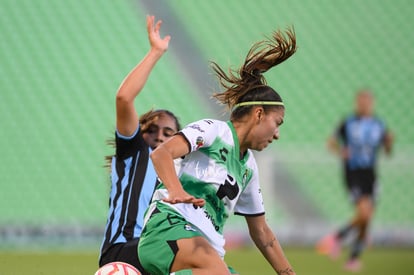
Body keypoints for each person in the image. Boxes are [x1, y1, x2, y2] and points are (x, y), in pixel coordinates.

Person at [138, 27, 298, 275]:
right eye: (277, 123)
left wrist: (288, 273)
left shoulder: (248, 167)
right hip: (168, 228)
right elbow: (160, 154)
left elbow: (262, 232)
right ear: (258, 114)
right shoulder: (214, 131)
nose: (277, 134)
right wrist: (176, 190)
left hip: (205, 250)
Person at [98, 15, 181, 274]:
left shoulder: (181, 174)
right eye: (151, 130)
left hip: (154, 251)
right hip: (123, 249)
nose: (159, 136)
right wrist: (156, 52)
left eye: (168, 133)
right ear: (139, 135)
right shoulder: (135, 154)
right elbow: (124, 98)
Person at [316, 90, 394, 272]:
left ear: (372, 103)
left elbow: (388, 151)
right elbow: (331, 142)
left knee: (366, 221)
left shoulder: (379, 124)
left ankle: (352, 258)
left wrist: (389, 143)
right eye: (361, 101)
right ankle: (337, 237)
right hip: (353, 173)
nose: (364, 104)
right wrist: (340, 151)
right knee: (364, 214)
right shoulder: (348, 122)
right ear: (357, 103)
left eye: (367, 101)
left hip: (371, 173)